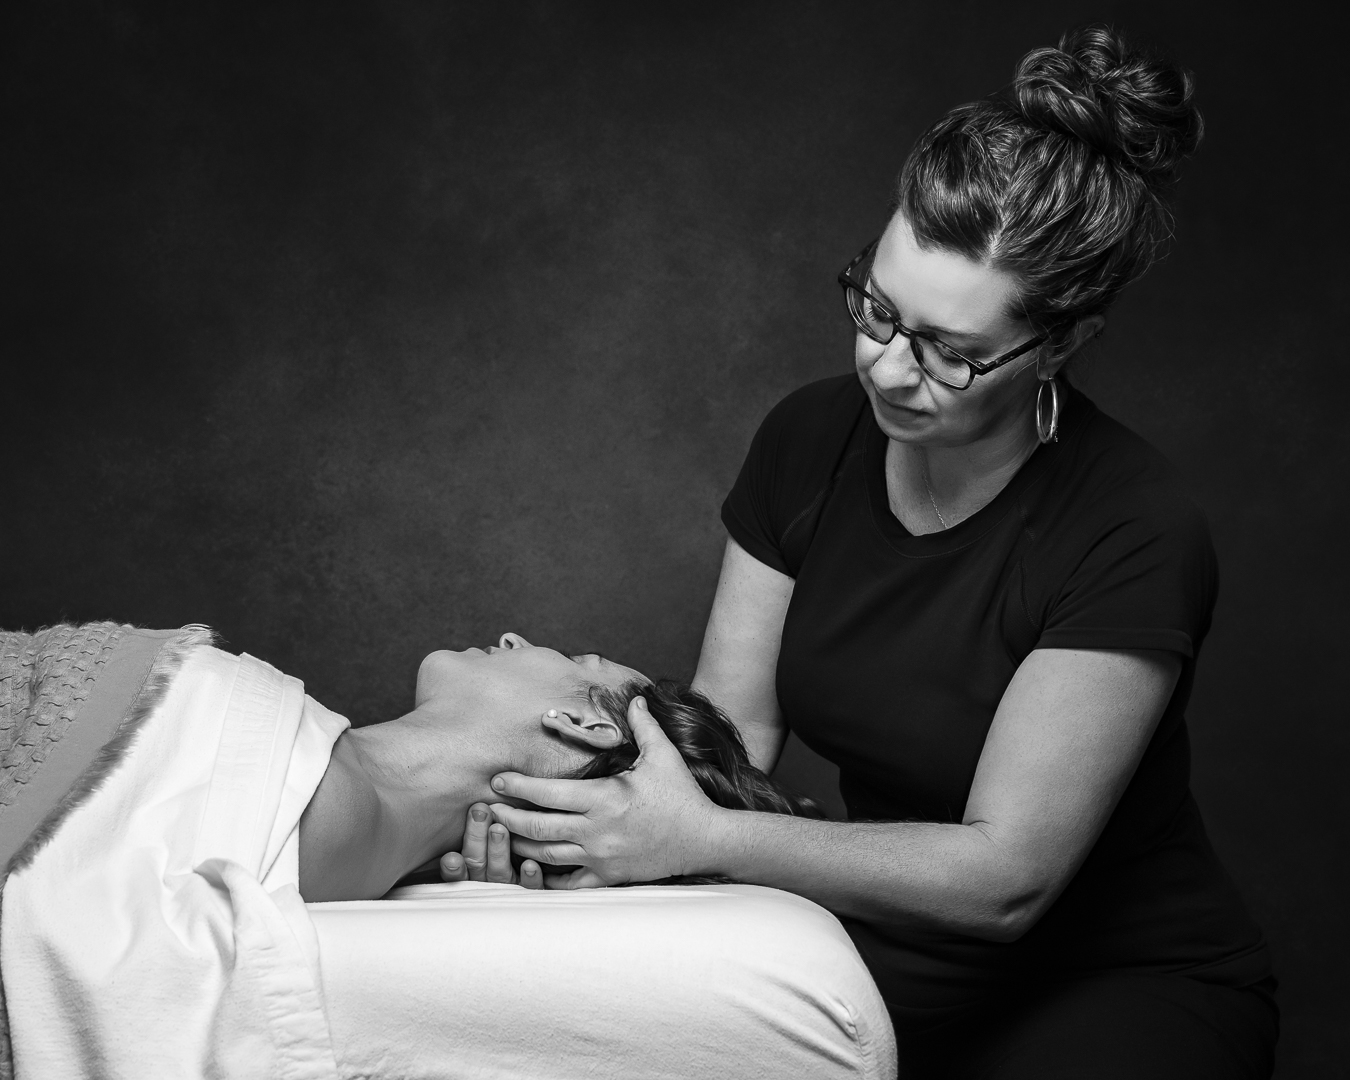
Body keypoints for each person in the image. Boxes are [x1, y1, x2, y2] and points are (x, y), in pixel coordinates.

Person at [479, 26, 1278, 1079]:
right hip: (876, 952)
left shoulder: (1132, 527)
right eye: (877, 310)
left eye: (951, 351)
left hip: (1119, 980)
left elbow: (1007, 880)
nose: (890, 369)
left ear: (1068, 339)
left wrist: (703, 844)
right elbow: (735, 740)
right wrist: (588, 835)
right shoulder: (809, 439)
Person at [299, 633, 818, 900]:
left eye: (573, 658)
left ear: (581, 723)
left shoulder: (321, 805)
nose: (511, 639)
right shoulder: (338, 803)